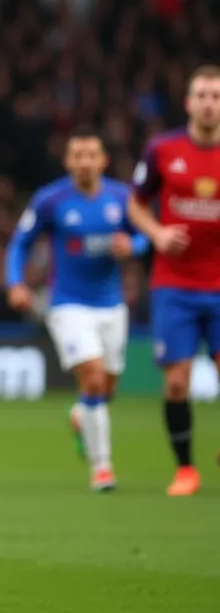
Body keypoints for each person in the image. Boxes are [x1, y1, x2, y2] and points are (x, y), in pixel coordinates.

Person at [5, 128, 149, 491]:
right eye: (78, 155)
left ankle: (80, 415)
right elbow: (20, 243)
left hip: (112, 306)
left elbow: (149, 234)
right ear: (68, 161)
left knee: (107, 387)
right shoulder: (51, 200)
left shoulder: (122, 197)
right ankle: (102, 468)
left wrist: (132, 244)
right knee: (95, 376)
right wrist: (16, 283)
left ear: (103, 160)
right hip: (67, 305)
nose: (85, 161)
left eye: (91, 155)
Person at [128, 65, 220, 497]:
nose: (208, 103)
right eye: (202, 95)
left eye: (216, 96)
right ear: (188, 102)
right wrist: (158, 233)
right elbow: (136, 205)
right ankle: (186, 470)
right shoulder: (163, 150)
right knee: (177, 381)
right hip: (175, 286)